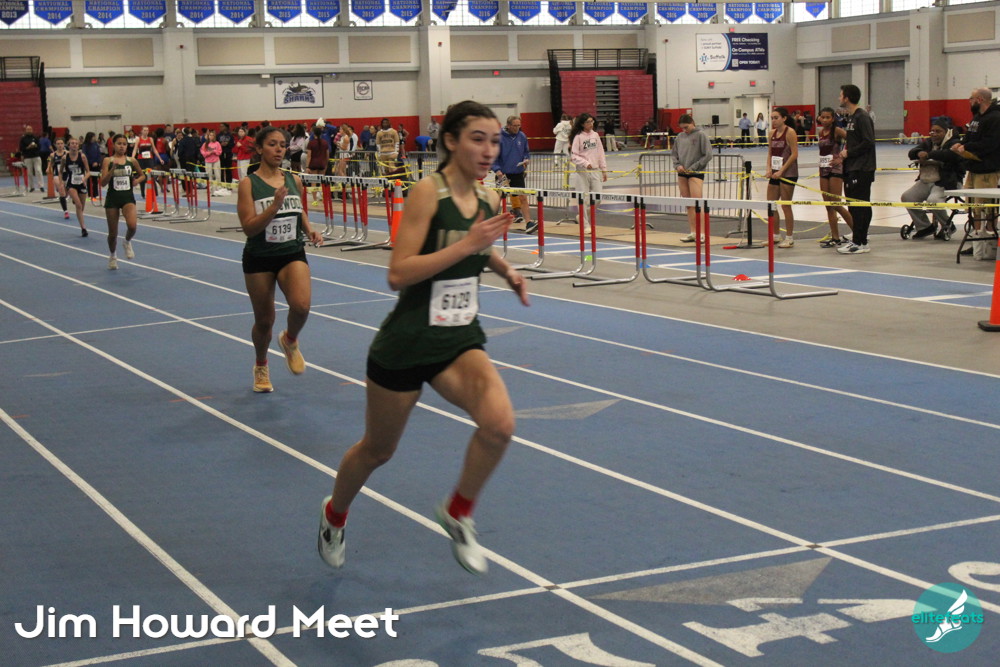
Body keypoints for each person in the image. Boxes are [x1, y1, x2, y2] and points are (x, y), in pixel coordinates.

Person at [317, 100, 529, 576]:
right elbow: (398, 274)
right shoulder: (427, 194)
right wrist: (470, 244)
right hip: (407, 342)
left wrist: (505, 269)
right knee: (378, 450)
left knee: (499, 425)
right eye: (477, 139)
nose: (489, 150)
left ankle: (458, 512)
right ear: (451, 141)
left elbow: (477, 247)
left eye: (495, 141)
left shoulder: (490, 198)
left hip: (458, 339)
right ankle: (334, 515)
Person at [236, 126, 323, 394]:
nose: (278, 150)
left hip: (291, 252)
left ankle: (290, 340)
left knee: (302, 306)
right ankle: (261, 364)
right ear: (259, 148)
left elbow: (299, 209)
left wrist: (308, 229)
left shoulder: (294, 180)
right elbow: (249, 228)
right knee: (265, 321)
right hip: (260, 257)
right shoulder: (248, 184)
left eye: (283, 145)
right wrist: (273, 207)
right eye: (272, 144)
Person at [950, 87, 1000, 256]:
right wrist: (961, 144)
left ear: (980, 99)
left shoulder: (995, 118)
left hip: (988, 169)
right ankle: (977, 239)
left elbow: (991, 143)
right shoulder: (977, 118)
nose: (969, 101)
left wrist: (968, 147)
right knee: (973, 207)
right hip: (973, 168)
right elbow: (969, 137)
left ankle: (990, 242)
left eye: (971, 98)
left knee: (988, 208)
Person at [902, 117, 964, 240]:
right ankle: (924, 227)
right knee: (907, 197)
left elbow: (949, 155)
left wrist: (929, 155)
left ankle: (948, 225)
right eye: (932, 131)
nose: (934, 134)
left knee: (933, 200)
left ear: (946, 132)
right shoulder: (929, 142)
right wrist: (918, 153)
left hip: (947, 181)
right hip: (928, 179)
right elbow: (912, 152)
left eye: (938, 131)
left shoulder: (954, 142)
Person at [837, 84, 877, 255]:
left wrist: (849, 152)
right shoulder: (852, 117)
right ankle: (858, 239)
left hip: (862, 168)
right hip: (852, 167)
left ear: (847, 98)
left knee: (861, 205)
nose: (839, 98)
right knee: (853, 205)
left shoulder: (862, 117)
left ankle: (861, 242)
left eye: (841, 95)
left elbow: (868, 141)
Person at [100, 134, 145, 270]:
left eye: (124, 144)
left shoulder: (132, 160)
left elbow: (143, 175)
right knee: (112, 234)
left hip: (127, 198)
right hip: (112, 199)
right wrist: (112, 170)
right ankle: (113, 256)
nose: (121, 146)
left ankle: (126, 241)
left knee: (132, 226)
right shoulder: (107, 160)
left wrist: (137, 181)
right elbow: (103, 183)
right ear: (113, 145)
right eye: (119, 143)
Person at [671, 114, 712, 243]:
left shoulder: (701, 135)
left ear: (692, 123)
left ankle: (702, 233)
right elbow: (674, 154)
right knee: (688, 204)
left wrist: (694, 167)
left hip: (696, 172)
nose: (684, 130)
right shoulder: (680, 137)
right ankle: (693, 232)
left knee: (697, 204)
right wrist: (677, 166)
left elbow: (708, 155)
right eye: (682, 128)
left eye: (686, 127)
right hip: (682, 173)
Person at [816, 107, 853, 247]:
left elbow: (852, 140)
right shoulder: (820, 132)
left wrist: (842, 157)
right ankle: (835, 237)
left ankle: (859, 233)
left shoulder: (837, 131)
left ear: (833, 119)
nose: (825, 120)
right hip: (823, 169)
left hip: (835, 169)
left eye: (828, 117)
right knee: (828, 206)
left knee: (836, 204)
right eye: (823, 117)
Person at [492, 115, 534, 233]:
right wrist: (497, 170)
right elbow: (493, 156)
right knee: (498, 198)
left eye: (518, 126)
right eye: (514, 126)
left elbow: (526, 152)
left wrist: (526, 159)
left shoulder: (522, 136)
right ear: (508, 125)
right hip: (503, 174)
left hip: (517, 173)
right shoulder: (499, 137)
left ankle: (529, 223)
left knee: (523, 198)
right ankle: (491, 221)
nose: (517, 128)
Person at [765, 107, 800, 248]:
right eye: (772, 118)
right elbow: (770, 153)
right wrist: (769, 168)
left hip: (788, 173)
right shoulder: (771, 133)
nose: (773, 121)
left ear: (784, 118)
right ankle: (775, 235)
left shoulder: (790, 132)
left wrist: (782, 170)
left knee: (786, 205)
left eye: (776, 118)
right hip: (775, 173)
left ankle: (789, 237)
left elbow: (794, 154)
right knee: (771, 204)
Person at [569, 113, 607, 226]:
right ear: (582, 124)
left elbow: (601, 153)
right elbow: (574, 156)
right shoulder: (578, 137)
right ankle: (585, 224)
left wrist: (604, 169)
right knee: (583, 199)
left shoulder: (595, 135)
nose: (591, 124)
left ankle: (581, 216)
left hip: (595, 170)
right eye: (588, 122)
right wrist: (585, 163)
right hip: (582, 171)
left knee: (598, 198)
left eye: (592, 121)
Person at [61, 136, 91, 237]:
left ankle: (76, 200)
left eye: (76, 143)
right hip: (71, 184)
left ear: (78, 146)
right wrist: (61, 182)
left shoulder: (82, 157)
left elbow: (88, 172)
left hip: (81, 184)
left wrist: (84, 179)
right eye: (72, 143)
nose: (74, 145)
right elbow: (60, 171)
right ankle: (83, 228)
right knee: (78, 205)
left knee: (81, 208)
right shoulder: (65, 158)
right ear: (69, 145)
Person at [304, 125, 329, 204]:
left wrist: (307, 166)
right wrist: (326, 164)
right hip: (322, 163)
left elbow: (309, 156)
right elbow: (327, 155)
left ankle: (315, 200)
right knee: (322, 181)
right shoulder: (325, 143)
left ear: (314, 133)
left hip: (313, 164)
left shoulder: (311, 143)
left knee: (313, 182)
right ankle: (322, 197)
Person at [46, 137, 69, 219]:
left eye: (61, 143)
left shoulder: (67, 153)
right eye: (58, 144)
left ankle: (63, 190)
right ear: (55, 145)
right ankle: (66, 211)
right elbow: (50, 163)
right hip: (57, 174)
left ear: (64, 144)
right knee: (62, 191)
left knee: (67, 192)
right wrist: (48, 168)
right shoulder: (53, 155)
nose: (60, 145)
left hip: (67, 174)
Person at [19, 125, 44, 192]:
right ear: (25, 130)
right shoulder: (23, 139)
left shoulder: (35, 138)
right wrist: (28, 147)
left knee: (38, 171)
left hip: (36, 156)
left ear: (32, 130)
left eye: (30, 129)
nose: (29, 130)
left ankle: (41, 186)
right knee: (29, 172)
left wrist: (35, 146)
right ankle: (31, 187)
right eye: (28, 129)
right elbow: (21, 149)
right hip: (27, 157)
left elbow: (39, 147)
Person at [200, 129, 224, 195]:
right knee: (209, 174)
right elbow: (202, 152)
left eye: (212, 135)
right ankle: (210, 188)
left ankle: (218, 187)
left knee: (217, 174)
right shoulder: (205, 144)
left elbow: (220, 152)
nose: (211, 136)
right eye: (210, 135)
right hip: (208, 161)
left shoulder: (217, 143)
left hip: (216, 160)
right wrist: (208, 153)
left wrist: (214, 151)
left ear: (214, 136)